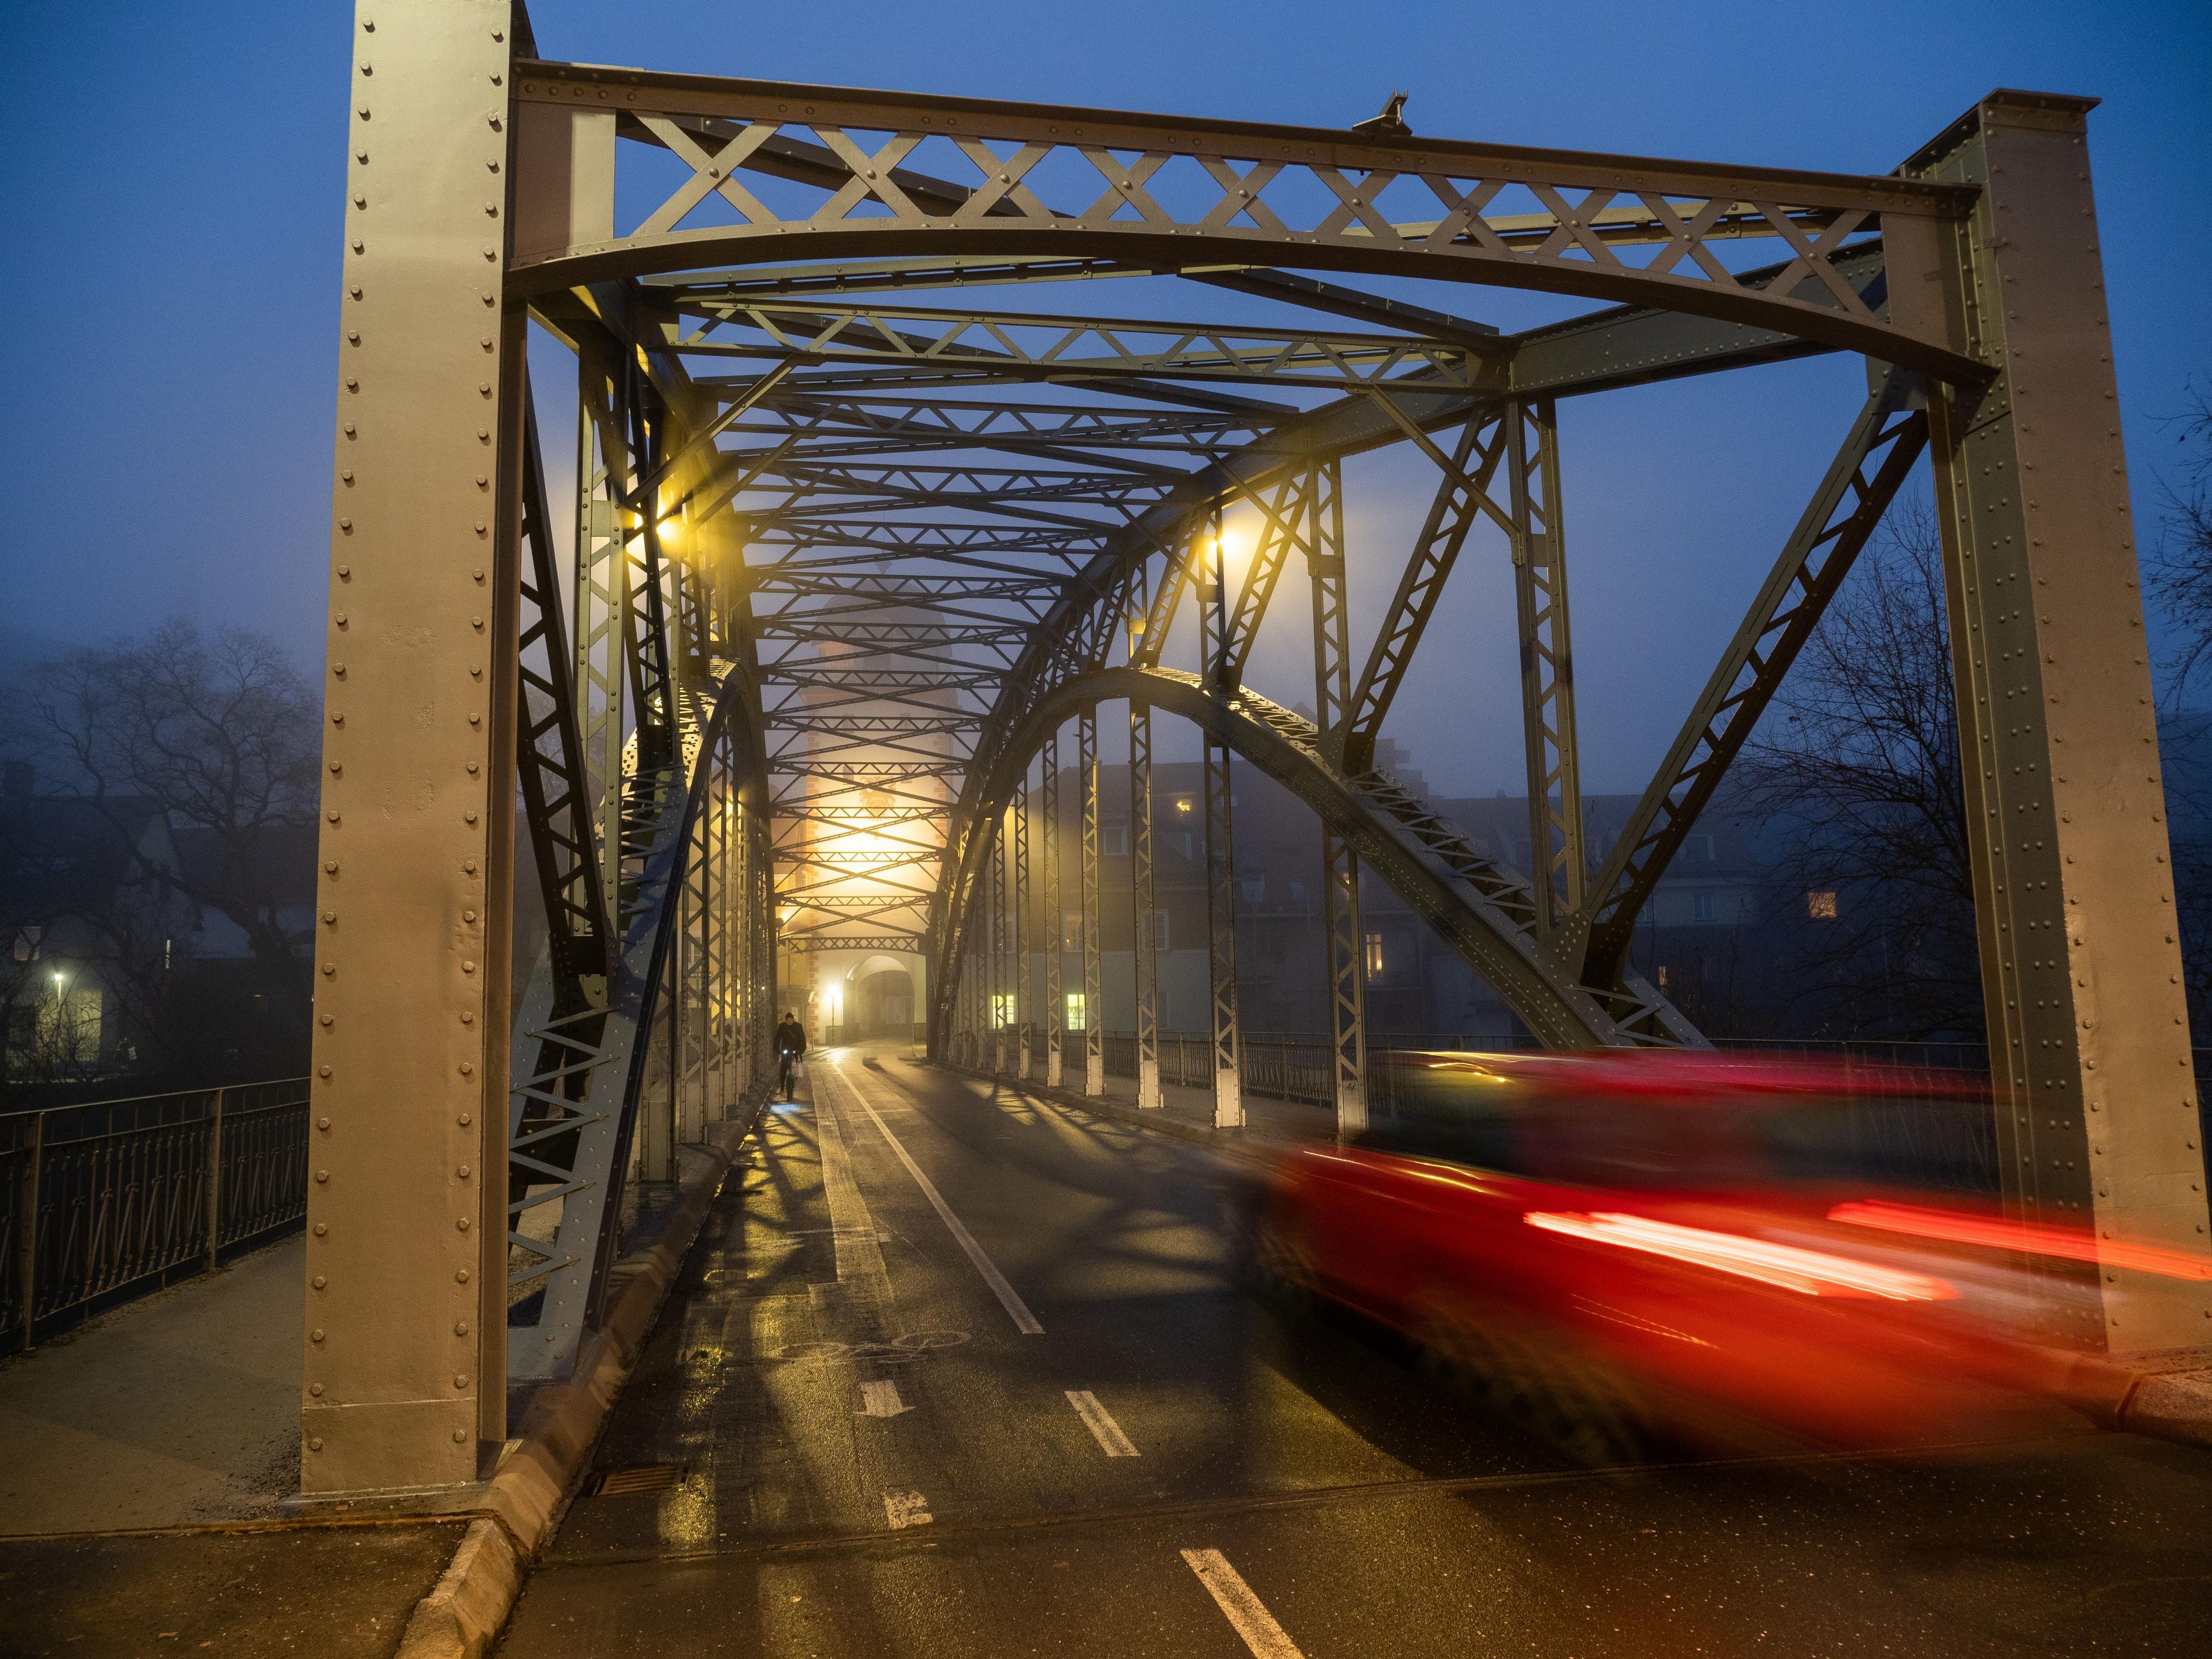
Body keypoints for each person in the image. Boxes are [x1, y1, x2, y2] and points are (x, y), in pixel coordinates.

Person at [775, 1011, 808, 1097]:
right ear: (786, 1020)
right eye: (788, 1020)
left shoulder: (798, 1027)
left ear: (793, 1020)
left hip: (796, 1049)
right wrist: (777, 1050)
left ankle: (798, 1077)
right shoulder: (783, 1027)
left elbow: (802, 1039)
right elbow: (778, 1038)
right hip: (786, 1049)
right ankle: (782, 1085)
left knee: (799, 1064)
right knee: (784, 1067)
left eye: (791, 1019)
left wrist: (802, 1050)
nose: (790, 1021)